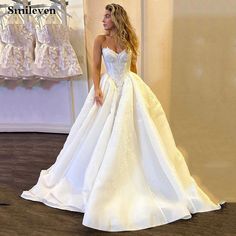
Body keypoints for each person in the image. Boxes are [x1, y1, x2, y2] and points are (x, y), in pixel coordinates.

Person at [20, 3, 225, 232]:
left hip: (130, 87)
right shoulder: (100, 40)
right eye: (104, 16)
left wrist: (140, 95)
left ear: (117, 18)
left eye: (107, 16)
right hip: (108, 89)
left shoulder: (129, 41)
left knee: (138, 134)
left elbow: (133, 68)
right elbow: (96, 68)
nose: (103, 20)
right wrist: (97, 89)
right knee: (99, 133)